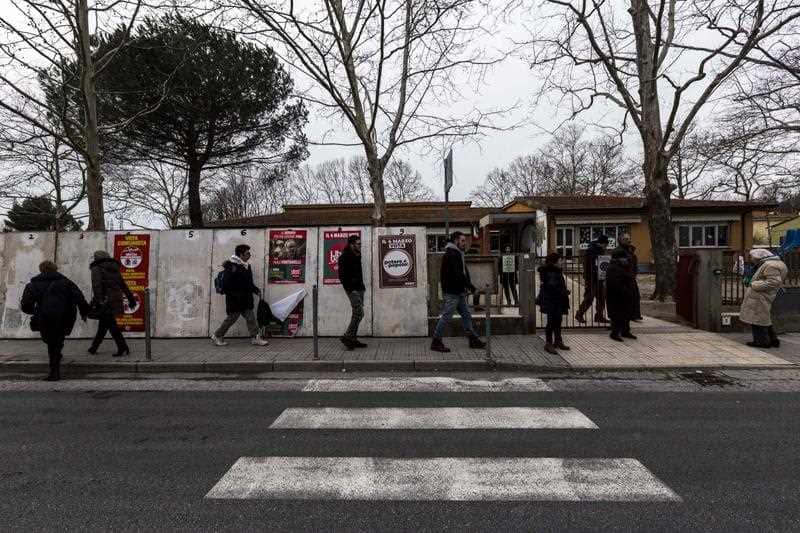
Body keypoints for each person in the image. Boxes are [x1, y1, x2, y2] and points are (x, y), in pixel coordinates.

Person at [21, 261, 89, 381]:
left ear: (41, 269)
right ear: (55, 269)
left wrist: (35, 311)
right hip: (65, 316)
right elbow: (79, 297)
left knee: (51, 342)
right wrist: (84, 312)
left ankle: (54, 372)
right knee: (57, 340)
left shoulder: (33, 285)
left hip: (45, 317)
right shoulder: (67, 282)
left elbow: (26, 304)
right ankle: (56, 360)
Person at [431, 231, 487, 353]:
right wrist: (471, 287)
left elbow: (462, 273)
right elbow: (458, 274)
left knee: (466, 315)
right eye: (462, 241)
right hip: (452, 292)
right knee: (446, 316)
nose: (464, 243)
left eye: (464, 241)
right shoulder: (452, 254)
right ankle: (436, 341)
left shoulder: (456, 253)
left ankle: (473, 339)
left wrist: (466, 286)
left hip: (458, 291)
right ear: (456, 241)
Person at [211, 244, 270, 347]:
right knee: (231, 319)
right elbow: (226, 284)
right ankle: (217, 335)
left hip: (246, 299)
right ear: (241, 254)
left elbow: (249, 282)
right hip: (235, 299)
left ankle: (255, 337)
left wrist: (256, 290)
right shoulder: (232, 266)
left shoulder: (246, 266)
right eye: (247, 253)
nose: (250, 255)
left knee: (251, 318)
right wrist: (235, 293)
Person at [88, 250, 136, 357]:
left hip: (105, 301)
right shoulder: (114, 268)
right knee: (104, 324)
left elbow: (97, 286)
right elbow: (123, 285)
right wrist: (131, 299)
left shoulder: (96, 268)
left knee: (111, 325)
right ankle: (94, 347)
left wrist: (99, 300)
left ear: (96, 258)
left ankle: (122, 347)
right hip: (115, 299)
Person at [739, 248, 788, 348]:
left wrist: (754, 284)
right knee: (763, 318)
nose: (751, 259)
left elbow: (773, 282)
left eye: (752, 257)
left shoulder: (770, 265)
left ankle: (762, 342)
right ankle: (773, 339)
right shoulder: (774, 263)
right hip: (763, 295)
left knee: (757, 319)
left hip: (760, 296)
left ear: (759, 257)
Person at [536, 253, 570, 355]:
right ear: (554, 261)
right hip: (552, 301)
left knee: (557, 321)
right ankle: (549, 343)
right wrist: (564, 292)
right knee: (551, 323)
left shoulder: (555, 271)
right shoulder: (550, 272)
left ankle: (558, 341)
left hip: (556, 301)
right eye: (560, 260)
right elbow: (552, 287)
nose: (562, 262)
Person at [338, 234, 367, 350]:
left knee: (357, 314)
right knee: (359, 313)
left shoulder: (357, 255)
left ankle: (352, 339)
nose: (360, 246)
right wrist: (351, 289)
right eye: (358, 244)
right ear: (352, 245)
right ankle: (348, 336)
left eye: (361, 244)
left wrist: (362, 288)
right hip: (352, 290)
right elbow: (342, 276)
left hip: (359, 288)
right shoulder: (344, 257)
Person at [604, 249, 637, 342]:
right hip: (617, 296)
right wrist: (625, 290)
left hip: (625, 296)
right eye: (624, 258)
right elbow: (614, 283)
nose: (626, 260)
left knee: (626, 314)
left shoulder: (624, 266)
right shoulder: (613, 268)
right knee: (617, 315)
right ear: (618, 259)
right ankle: (614, 333)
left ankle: (625, 331)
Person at [575, 234, 609, 324]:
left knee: (601, 298)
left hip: (599, 277)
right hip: (591, 278)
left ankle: (599, 316)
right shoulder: (591, 251)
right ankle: (579, 314)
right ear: (601, 243)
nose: (606, 247)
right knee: (589, 298)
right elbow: (587, 265)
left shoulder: (600, 250)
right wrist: (588, 276)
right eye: (605, 245)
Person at [616, 233, 643, 321]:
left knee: (635, 296)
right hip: (623, 278)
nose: (628, 240)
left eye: (628, 238)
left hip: (631, 277)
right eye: (625, 239)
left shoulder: (630, 251)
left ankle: (635, 315)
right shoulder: (618, 251)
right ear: (620, 240)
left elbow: (633, 263)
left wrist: (634, 273)